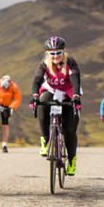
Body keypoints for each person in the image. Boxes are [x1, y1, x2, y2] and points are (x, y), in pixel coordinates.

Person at [29, 36, 81, 175]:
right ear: (48, 53)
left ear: (63, 51)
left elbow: (76, 81)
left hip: (69, 93)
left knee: (69, 130)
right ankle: (45, 140)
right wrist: (35, 95)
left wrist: (76, 96)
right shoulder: (44, 64)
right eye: (52, 53)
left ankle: (72, 160)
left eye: (58, 52)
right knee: (42, 102)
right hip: (51, 91)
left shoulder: (70, 62)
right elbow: (36, 81)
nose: (55, 56)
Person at [0, 75, 22, 153]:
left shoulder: (14, 87)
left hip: (6, 106)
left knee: (5, 126)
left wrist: (11, 107)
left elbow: (17, 98)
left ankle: (4, 145)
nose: (4, 90)